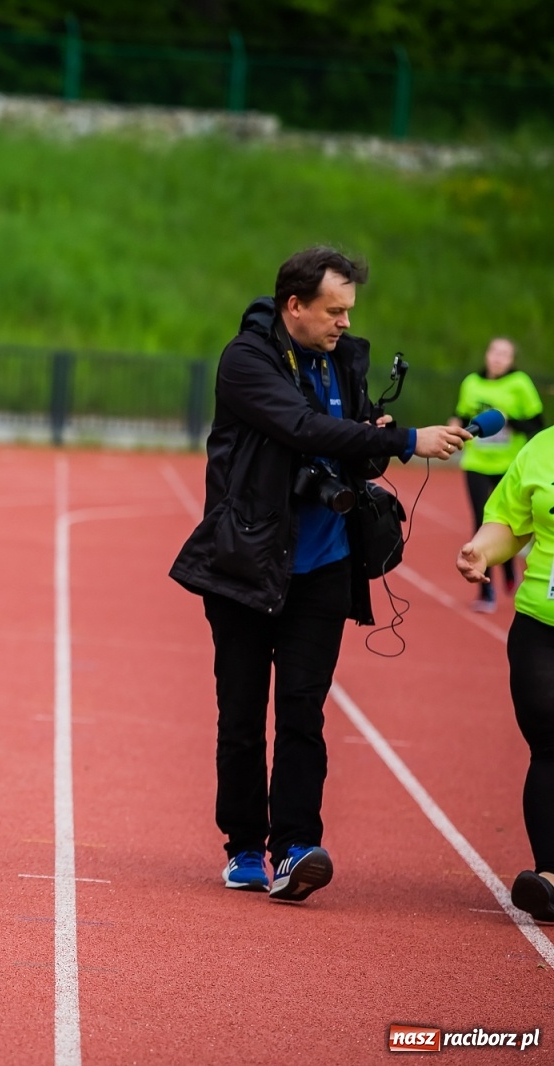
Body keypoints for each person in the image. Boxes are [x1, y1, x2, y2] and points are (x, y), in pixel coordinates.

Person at [169, 247, 470, 903]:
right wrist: (403, 440)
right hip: (246, 564)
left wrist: (370, 437)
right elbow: (301, 426)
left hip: (324, 567)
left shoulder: (344, 362)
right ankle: (245, 846)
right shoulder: (246, 361)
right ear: (294, 305)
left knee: (304, 712)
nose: (342, 323)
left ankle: (298, 847)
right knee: (242, 718)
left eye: (349, 311)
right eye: (333, 310)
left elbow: (341, 444)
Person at [457, 430, 554, 922]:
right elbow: (510, 522)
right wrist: (482, 550)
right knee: (549, 742)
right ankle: (552, 876)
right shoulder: (542, 449)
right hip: (541, 623)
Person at [451, 337, 543, 612]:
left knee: (508, 522)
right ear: (487, 355)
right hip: (477, 463)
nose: (498, 358)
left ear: (512, 359)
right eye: (494, 352)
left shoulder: (520, 384)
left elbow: (537, 424)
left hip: (509, 466)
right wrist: (452, 429)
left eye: (505, 354)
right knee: (481, 522)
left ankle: (510, 569)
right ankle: (486, 589)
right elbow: (459, 414)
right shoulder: (471, 383)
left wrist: (507, 420)